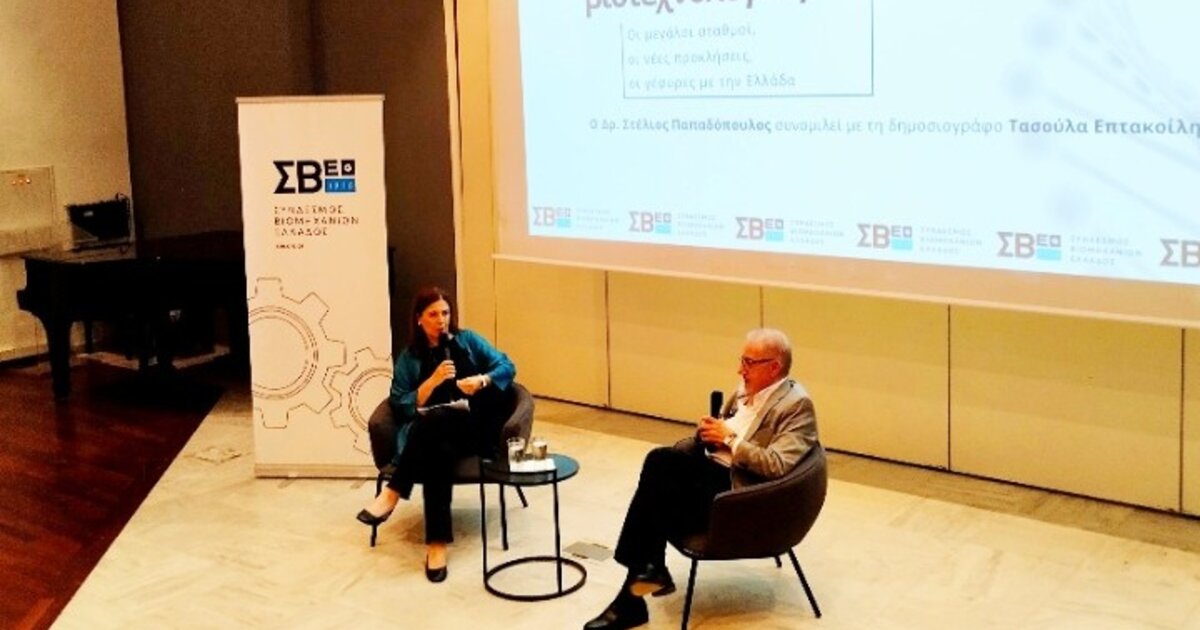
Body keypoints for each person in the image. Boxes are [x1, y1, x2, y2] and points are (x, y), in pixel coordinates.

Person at [583, 328, 819, 630]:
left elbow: (777, 465)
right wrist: (708, 433)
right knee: (659, 466)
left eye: (749, 363)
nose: (740, 370)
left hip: (739, 493)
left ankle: (640, 587)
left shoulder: (796, 406)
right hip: (711, 469)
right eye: (742, 360)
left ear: (774, 367)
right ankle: (643, 580)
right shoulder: (746, 389)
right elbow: (725, 428)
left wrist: (729, 439)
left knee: (656, 484)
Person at [355, 287, 515, 583]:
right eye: (433, 315)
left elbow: (507, 366)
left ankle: (393, 492)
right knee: (436, 450)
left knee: (435, 422)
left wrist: (482, 380)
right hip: (432, 436)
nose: (441, 320)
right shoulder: (410, 357)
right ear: (419, 319)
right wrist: (432, 381)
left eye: (445, 313)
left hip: (473, 428)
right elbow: (400, 403)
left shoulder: (468, 341)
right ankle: (436, 545)